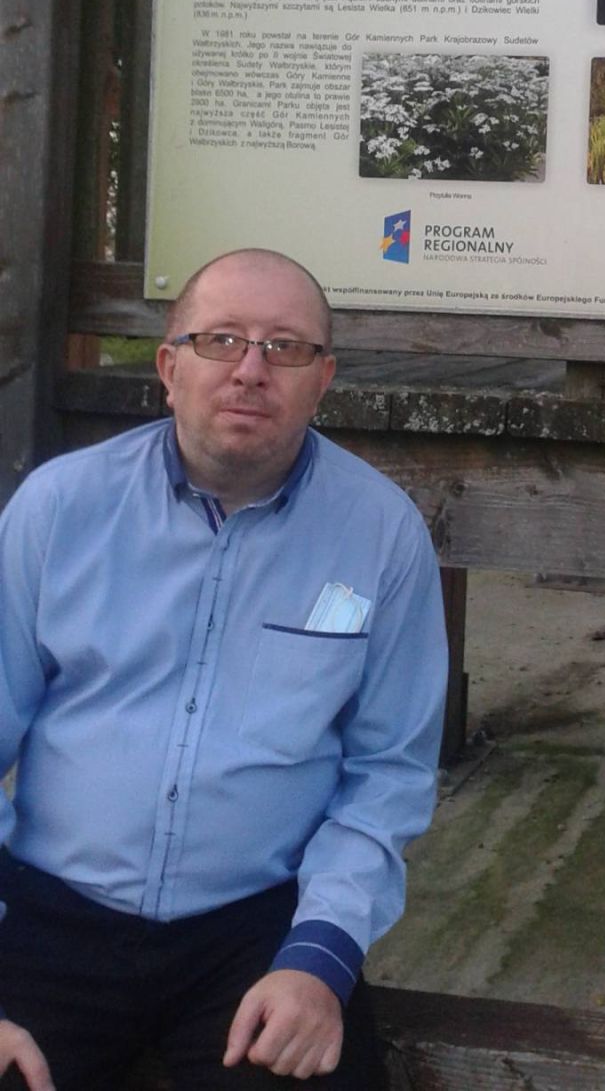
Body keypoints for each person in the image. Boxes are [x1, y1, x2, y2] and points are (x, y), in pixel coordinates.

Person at [0, 249, 448, 1087]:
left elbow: (388, 772)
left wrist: (319, 961)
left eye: (286, 347)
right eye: (222, 340)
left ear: (323, 379)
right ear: (169, 368)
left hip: (254, 931)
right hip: (46, 916)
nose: (250, 369)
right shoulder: (59, 508)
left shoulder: (381, 535)